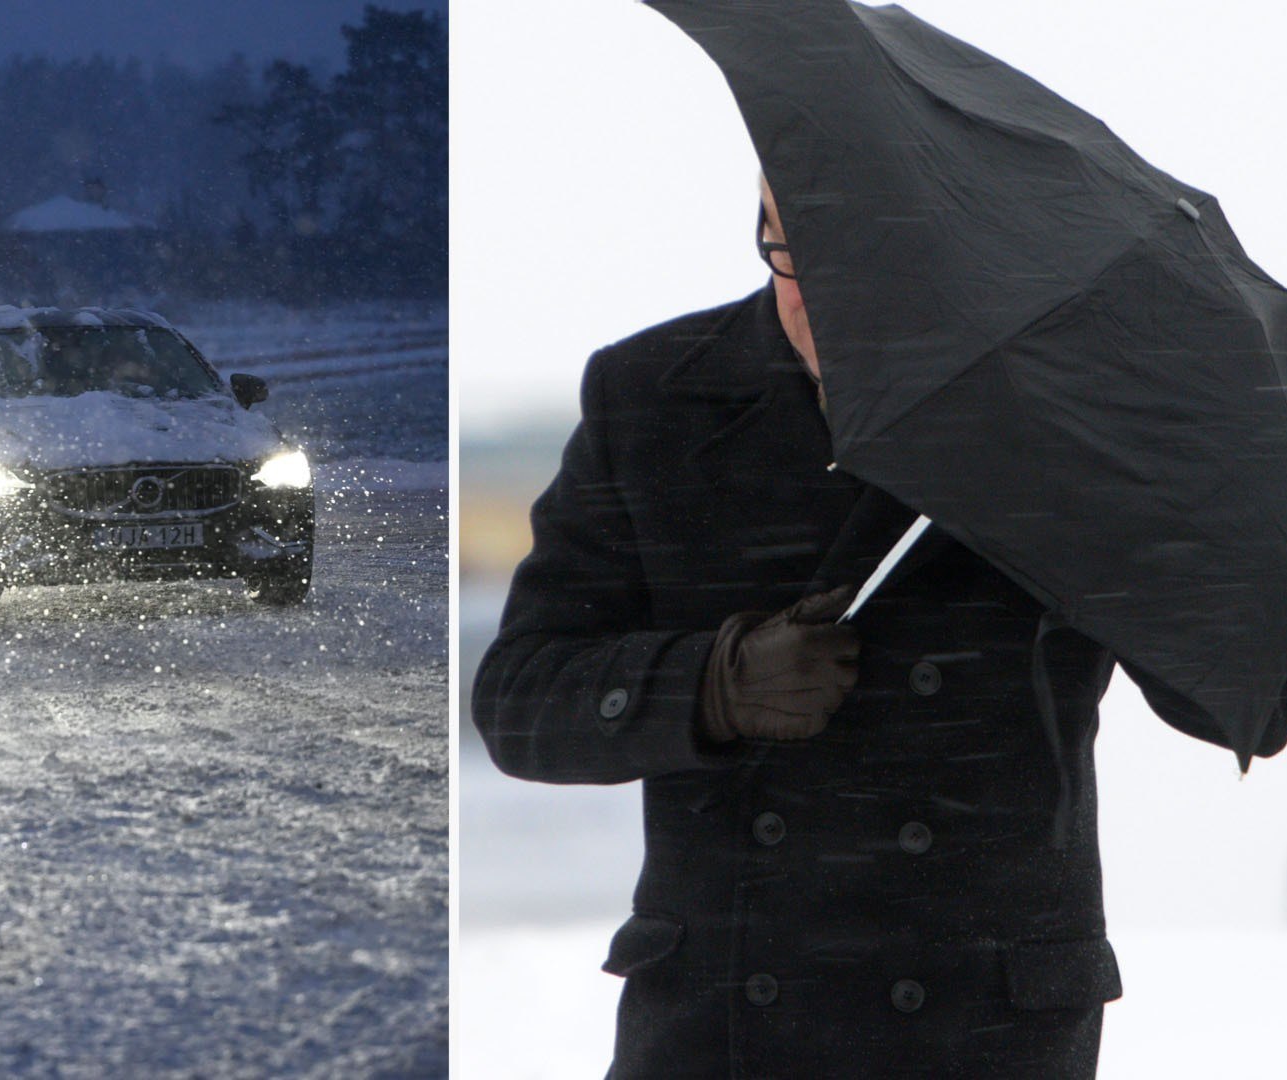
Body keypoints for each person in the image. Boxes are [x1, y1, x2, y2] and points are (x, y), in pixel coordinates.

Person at [470, 179, 1131, 1078]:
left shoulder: (1057, 419)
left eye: (857, 255)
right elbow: (519, 699)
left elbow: (1221, 678)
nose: (814, 287)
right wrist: (711, 684)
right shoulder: (653, 398)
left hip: (980, 1029)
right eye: (786, 246)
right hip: (725, 1026)